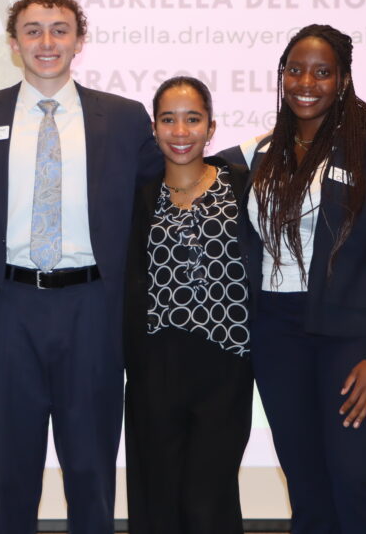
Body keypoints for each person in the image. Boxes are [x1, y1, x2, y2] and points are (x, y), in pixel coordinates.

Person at [0, 0, 162, 534]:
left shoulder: (122, 119)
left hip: (92, 309)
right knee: (9, 474)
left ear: (79, 40)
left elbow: (164, 191)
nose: (46, 42)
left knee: (91, 473)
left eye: (59, 29)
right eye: (33, 30)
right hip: (7, 311)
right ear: (13, 42)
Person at [225, 24, 366, 534]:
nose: (305, 82)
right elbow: (191, 166)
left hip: (353, 342)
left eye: (321, 71)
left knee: (356, 478)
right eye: (294, 69)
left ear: (344, 79)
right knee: (307, 484)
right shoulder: (260, 154)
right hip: (275, 335)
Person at [124, 76, 253, 534]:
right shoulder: (136, 195)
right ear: (154, 129)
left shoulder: (243, 186)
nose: (181, 131)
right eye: (169, 119)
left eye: (192, 119)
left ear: (211, 127)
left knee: (209, 498)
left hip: (226, 364)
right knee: (157, 496)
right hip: (155, 365)